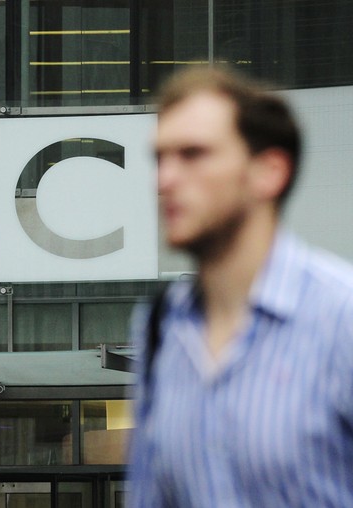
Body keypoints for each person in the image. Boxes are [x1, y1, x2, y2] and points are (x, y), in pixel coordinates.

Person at [128, 66, 353, 506]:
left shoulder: (341, 316)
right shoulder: (157, 329)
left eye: (193, 154)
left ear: (269, 171)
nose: (164, 180)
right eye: (160, 158)